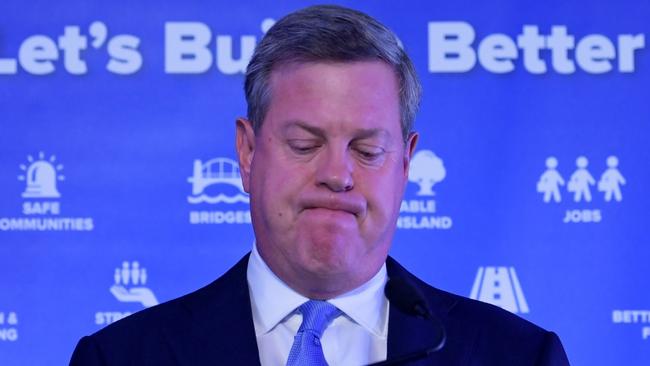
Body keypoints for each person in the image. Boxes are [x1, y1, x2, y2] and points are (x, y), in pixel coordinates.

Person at [70, 5, 570, 365]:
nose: (337, 174)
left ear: (405, 164)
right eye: (305, 144)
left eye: (367, 150)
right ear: (247, 153)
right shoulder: (120, 357)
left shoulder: (518, 356)